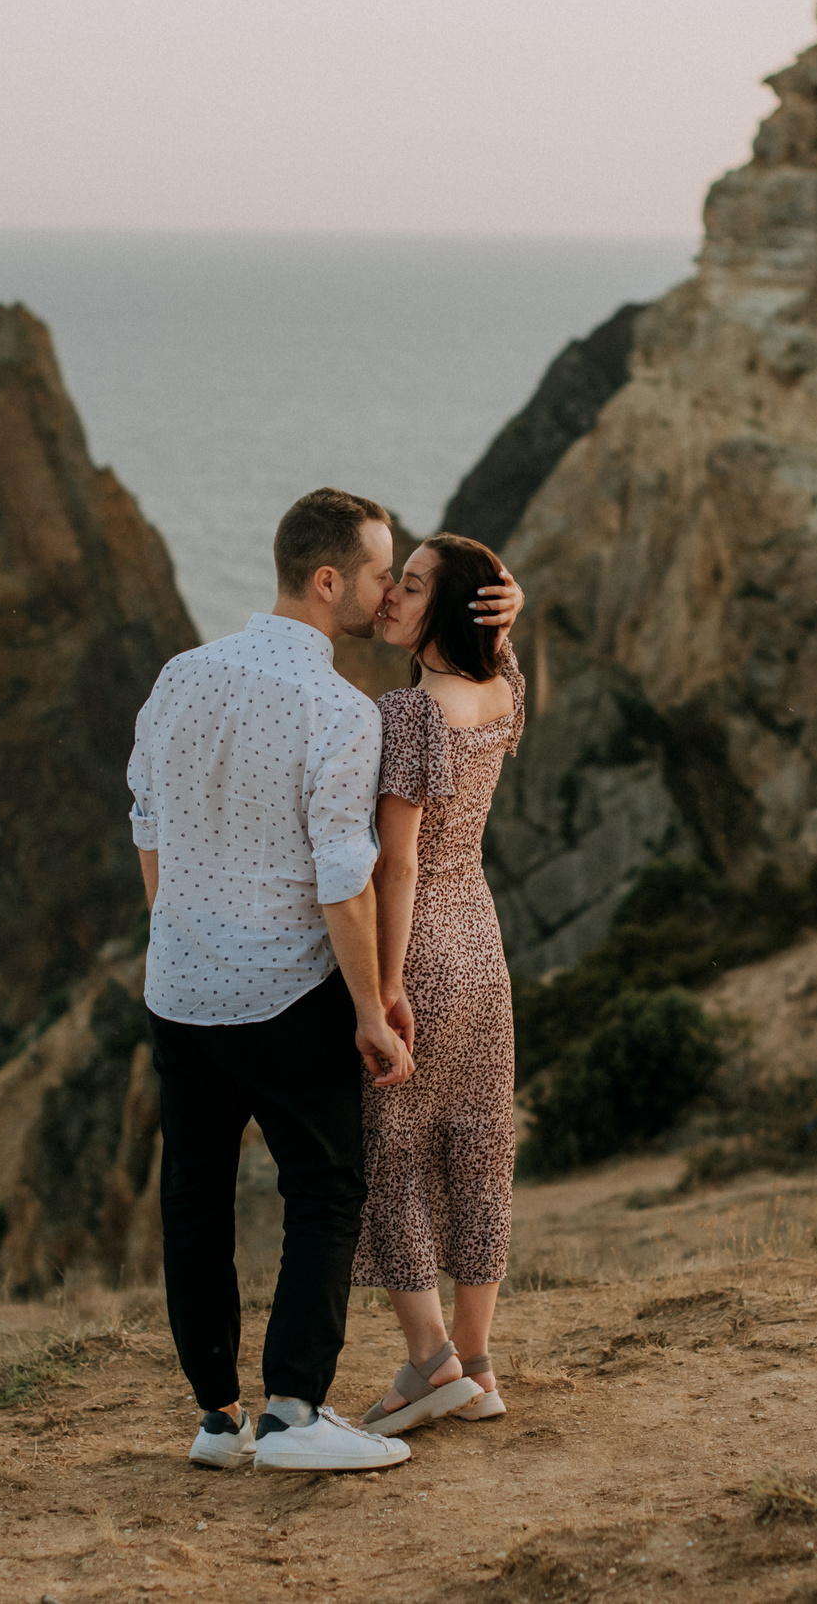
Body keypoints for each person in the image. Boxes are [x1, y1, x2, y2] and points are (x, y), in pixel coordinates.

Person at [128, 490, 520, 1473]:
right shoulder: (340, 709)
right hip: (283, 990)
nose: (391, 589)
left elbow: (146, 819)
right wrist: (370, 1007)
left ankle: (218, 1417)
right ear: (329, 579)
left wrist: (178, 929)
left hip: (178, 985)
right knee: (328, 1186)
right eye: (384, 571)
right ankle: (297, 1406)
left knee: (194, 1198)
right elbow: (350, 881)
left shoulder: (181, 675)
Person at [350, 533, 528, 1436]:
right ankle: (480, 1359)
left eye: (411, 586)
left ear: (445, 608)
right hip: (483, 942)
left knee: (394, 1146)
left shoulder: (411, 715)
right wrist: (511, 606)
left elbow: (396, 860)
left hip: (420, 946)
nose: (390, 596)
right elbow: (505, 652)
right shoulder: (501, 694)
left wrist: (382, 983)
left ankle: (429, 1365)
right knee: (477, 1138)